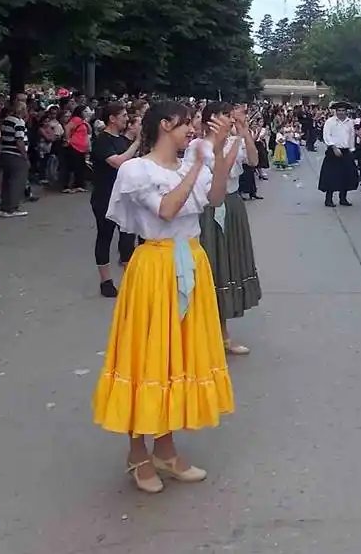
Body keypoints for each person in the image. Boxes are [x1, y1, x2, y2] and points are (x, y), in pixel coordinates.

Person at [92, 101, 235, 493]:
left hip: (191, 260)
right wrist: (194, 164)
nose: (192, 131)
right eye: (187, 125)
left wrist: (218, 153)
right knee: (148, 356)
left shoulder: (192, 166)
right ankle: (138, 452)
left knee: (179, 357)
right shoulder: (137, 170)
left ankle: (166, 449)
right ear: (166, 124)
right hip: (155, 267)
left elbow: (217, 198)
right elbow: (168, 209)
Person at [185, 102, 262, 356]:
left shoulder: (233, 141)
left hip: (233, 204)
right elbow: (222, 170)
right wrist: (230, 141)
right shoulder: (198, 147)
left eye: (231, 115)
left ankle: (222, 333)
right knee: (213, 267)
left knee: (229, 266)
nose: (231, 119)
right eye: (225, 116)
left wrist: (245, 134)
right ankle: (205, 333)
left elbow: (254, 160)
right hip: (209, 209)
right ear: (211, 120)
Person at [90, 102, 141, 297]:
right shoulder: (102, 140)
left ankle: (130, 280)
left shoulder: (121, 140)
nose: (126, 120)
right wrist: (137, 142)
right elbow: (117, 162)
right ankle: (106, 281)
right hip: (104, 197)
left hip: (124, 198)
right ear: (112, 118)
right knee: (105, 236)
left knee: (128, 237)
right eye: (123, 116)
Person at [319, 102, 358, 207]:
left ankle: (343, 198)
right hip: (333, 150)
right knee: (331, 175)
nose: (341, 112)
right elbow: (326, 135)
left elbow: (351, 136)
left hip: (346, 150)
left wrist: (352, 149)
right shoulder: (330, 122)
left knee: (346, 175)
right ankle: (329, 199)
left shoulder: (350, 122)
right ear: (336, 112)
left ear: (346, 112)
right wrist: (333, 147)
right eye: (339, 110)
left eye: (343, 110)